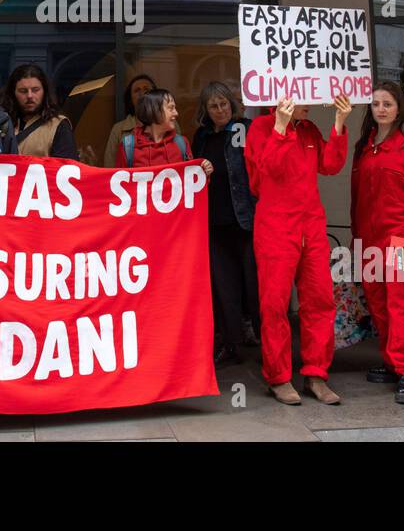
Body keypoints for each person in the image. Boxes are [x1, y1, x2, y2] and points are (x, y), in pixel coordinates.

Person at [245, 93, 352, 406]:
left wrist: (339, 122)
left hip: (311, 226)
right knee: (275, 305)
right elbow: (266, 175)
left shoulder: (309, 129)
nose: (312, 101)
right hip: (276, 228)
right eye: (306, 96)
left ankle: (316, 373)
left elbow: (331, 165)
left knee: (320, 299)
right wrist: (279, 127)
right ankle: (278, 377)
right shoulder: (260, 128)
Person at [349, 81, 404, 405]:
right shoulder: (365, 146)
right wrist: (356, 237)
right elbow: (357, 197)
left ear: (398, 107)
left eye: (387, 103)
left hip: (403, 241)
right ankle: (393, 362)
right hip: (371, 242)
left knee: (403, 308)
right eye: (375, 104)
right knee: (380, 306)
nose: (381, 109)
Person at [192, 82, 258, 366]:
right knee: (224, 290)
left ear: (232, 104)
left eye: (223, 104)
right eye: (213, 106)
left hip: (246, 221)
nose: (220, 110)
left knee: (256, 288)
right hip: (214, 223)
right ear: (205, 111)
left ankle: (269, 346)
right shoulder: (201, 136)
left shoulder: (245, 128)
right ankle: (230, 345)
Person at [115, 88, 212, 175]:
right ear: (154, 110)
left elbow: (190, 184)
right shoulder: (128, 147)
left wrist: (203, 173)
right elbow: (119, 184)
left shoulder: (181, 143)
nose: (176, 113)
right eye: (171, 108)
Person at [3, 64, 78, 159]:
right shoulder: (1, 123)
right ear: (13, 93)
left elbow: (66, 168)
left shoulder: (59, 125)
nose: (30, 96)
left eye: (35, 90)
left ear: (44, 91)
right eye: (23, 91)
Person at [101, 74, 155, 167]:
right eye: (137, 90)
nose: (142, 93)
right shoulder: (118, 129)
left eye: (147, 89)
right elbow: (109, 167)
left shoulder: (168, 124)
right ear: (130, 99)